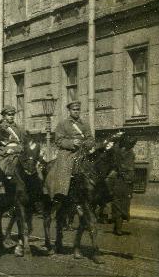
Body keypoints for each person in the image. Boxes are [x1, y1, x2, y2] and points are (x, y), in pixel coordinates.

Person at [44, 101, 97, 260]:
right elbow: (58, 141)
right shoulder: (63, 124)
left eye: (78, 109)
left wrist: (85, 144)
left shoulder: (84, 124)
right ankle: (60, 192)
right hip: (67, 155)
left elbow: (91, 139)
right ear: (69, 110)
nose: (76, 111)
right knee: (64, 172)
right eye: (74, 109)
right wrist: (71, 143)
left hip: (82, 155)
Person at [108, 134, 137, 236]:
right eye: (131, 143)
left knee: (124, 206)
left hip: (127, 182)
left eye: (133, 144)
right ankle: (117, 228)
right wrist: (116, 137)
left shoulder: (131, 153)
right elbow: (111, 145)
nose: (132, 145)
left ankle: (117, 228)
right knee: (117, 204)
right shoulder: (118, 150)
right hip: (118, 180)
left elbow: (130, 168)